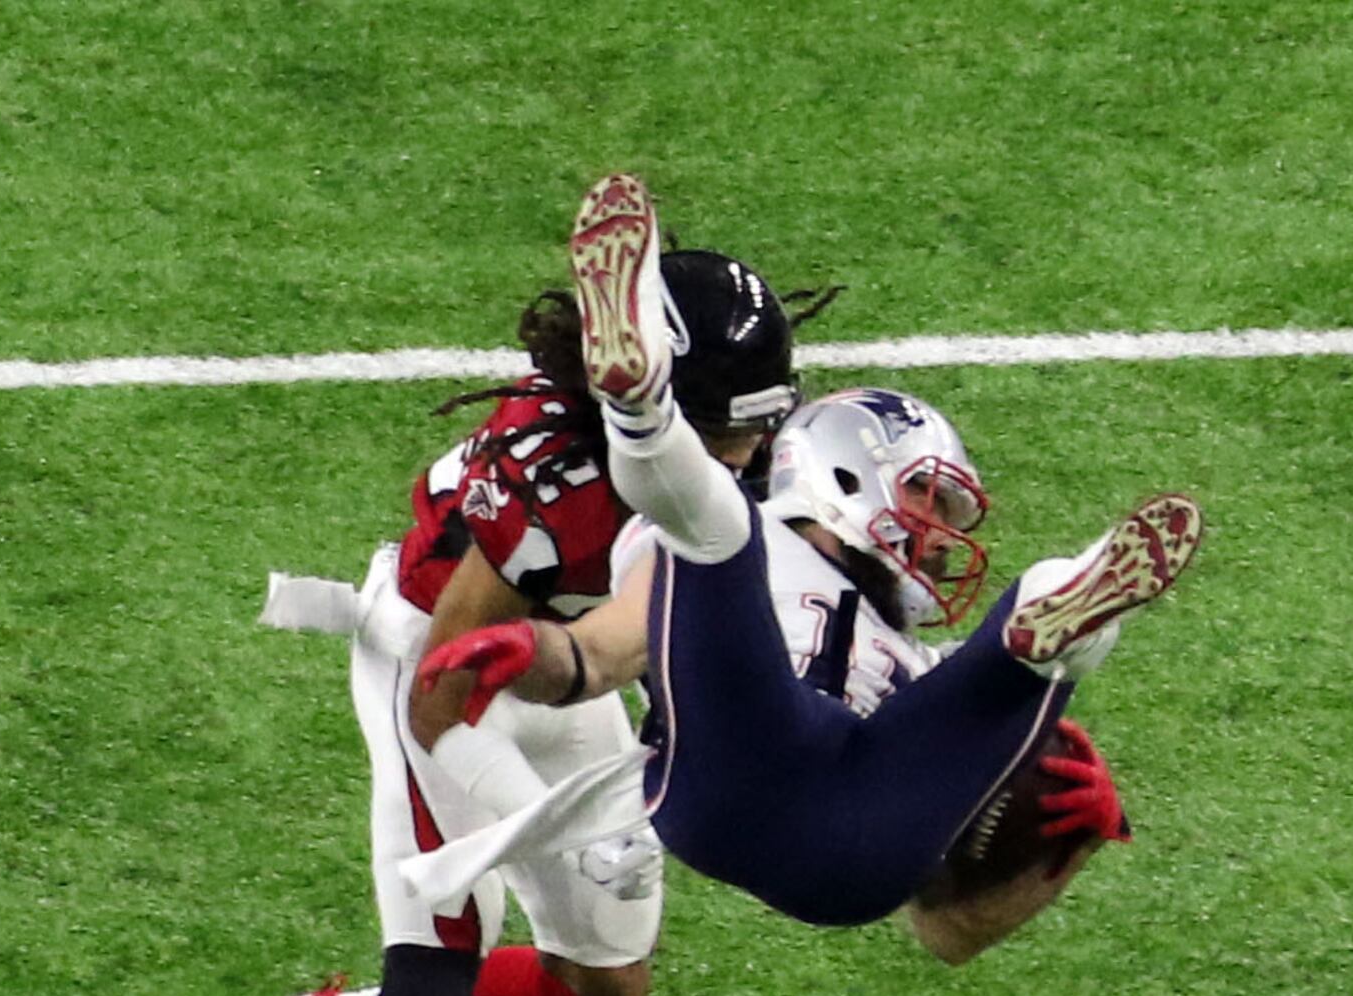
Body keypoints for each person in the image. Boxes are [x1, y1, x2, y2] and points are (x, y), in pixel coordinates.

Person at [96, 243, 813, 996]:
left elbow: (641, 618)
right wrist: (536, 817)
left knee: (605, 994)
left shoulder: (688, 458)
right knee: (430, 989)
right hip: (443, 666)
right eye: (742, 421)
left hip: (554, 656)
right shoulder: (552, 489)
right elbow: (445, 689)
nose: (757, 446)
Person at [418, 172, 1196, 955]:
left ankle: (1065, 628)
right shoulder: (759, 539)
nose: (934, 538)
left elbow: (948, 929)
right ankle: (645, 410)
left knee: (1013, 669)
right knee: (720, 529)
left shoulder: (913, 655)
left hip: (838, 836)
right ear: (840, 470)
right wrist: (541, 650)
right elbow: (604, 648)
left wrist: (1078, 839)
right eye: (925, 497)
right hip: (760, 761)